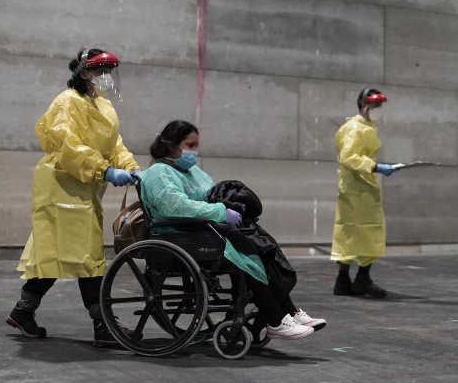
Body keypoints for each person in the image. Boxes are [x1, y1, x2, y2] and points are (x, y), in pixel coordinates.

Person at [138, 120, 325, 340]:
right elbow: (176, 206)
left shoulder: (193, 172)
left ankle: (288, 312)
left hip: (202, 231)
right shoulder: (158, 173)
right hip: (180, 236)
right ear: (171, 145)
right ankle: (276, 318)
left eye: (196, 145)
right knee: (248, 254)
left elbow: (212, 195)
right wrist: (220, 211)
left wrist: (231, 204)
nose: (194, 151)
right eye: (190, 145)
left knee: (261, 247)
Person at [6, 47, 139, 344]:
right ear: (83, 72)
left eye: (108, 72)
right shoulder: (66, 103)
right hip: (62, 187)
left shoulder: (102, 106)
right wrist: (104, 171)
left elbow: (113, 143)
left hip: (83, 188)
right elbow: (67, 146)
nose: (105, 77)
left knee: (62, 252)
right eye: (99, 71)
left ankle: (23, 311)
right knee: (82, 255)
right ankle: (102, 324)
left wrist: (130, 167)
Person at [331, 88, 398, 298]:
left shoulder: (364, 126)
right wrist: (376, 167)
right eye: (376, 106)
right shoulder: (355, 128)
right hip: (358, 187)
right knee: (364, 230)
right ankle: (361, 279)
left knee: (350, 231)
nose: (379, 110)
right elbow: (348, 157)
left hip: (357, 186)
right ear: (364, 106)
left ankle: (345, 280)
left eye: (380, 106)